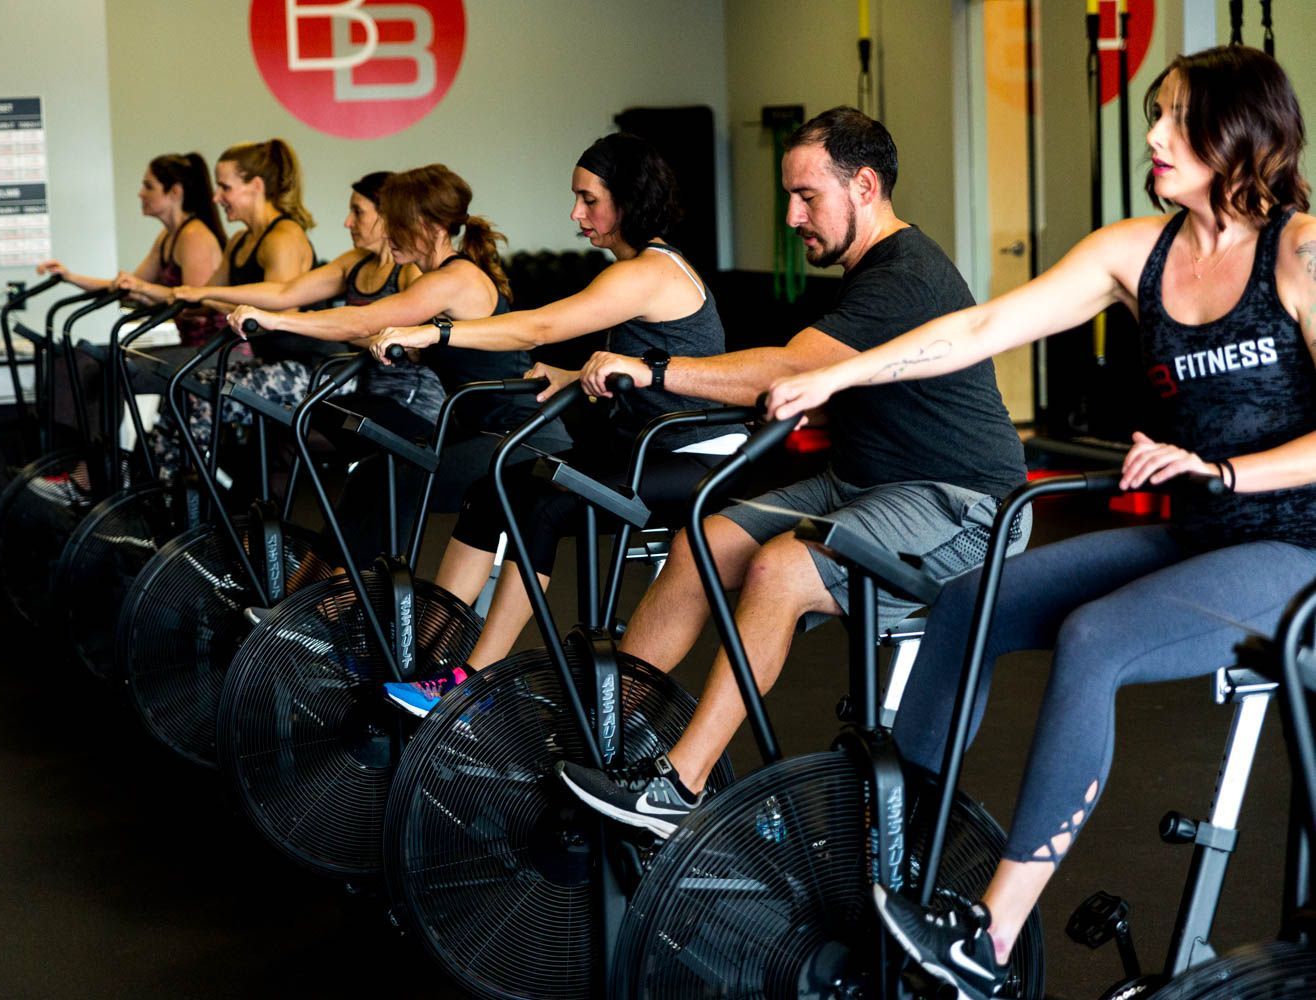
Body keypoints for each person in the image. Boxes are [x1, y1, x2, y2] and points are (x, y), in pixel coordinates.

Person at [760, 47, 1313, 1000]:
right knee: (969, 603)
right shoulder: (1134, 252)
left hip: (1293, 548)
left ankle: (989, 942)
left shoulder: (1299, 251)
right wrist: (839, 372)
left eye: (1173, 119)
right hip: (1196, 528)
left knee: (1093, 638)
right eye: (1155, 116)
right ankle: (894, 876)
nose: (1151, 137)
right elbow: (977, 331)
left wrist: (1225, 469)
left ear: (1236, 132)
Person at [556, 107, 1027, 840]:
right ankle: (597, 739)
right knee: (701, 545)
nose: (791, 215)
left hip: (963, 508)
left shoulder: (904, 276)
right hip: (864, 485)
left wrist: (652, 370)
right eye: (789, 196)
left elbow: (788, 368)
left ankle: (678, 786)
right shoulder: (865, 271)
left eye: (807, 196)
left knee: (780, 568)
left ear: (864, 186)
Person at [371, 133, 739, 716]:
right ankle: (427, 652)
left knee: (543, 504)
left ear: (629, 200)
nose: (576, 214)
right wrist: (572, 377)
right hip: (649, 451)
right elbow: (648, 363)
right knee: (496, 486)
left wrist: (433, 332)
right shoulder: (638, 272)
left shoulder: (647, 272)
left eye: (589, 200)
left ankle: (474, 676)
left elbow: (535, 327)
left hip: (699, 463)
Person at [226, 164, 562, 561]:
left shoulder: (453, 279)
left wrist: (277, 319)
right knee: (371, 473)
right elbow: (372, 328)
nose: (387, 233)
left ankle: (343, 604)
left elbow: (366, 318)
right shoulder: (436, 278)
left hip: (523, 438)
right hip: (478, 431)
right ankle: (307, 600)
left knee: (396, 479)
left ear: (428, 225)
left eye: (395, 222)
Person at [171, 170, 444, 442]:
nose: (348, 222)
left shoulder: (410, 273)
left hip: (409, 401)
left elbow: (388, 336)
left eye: (358, 212)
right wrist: (204, 292)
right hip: (365, 391)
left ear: (387, 216)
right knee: (262, 420)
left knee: (288, 424)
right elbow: (285, 291)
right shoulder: (355, 262)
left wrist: (300, 323)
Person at [112, 139, 316, 478]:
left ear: (256, 186)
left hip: (298, 368)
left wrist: (198, 296)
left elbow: (280, 311)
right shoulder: (239, 241)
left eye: (225, 188)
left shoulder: (285, 237)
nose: (216, 197)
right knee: (183, 388)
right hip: (262, 362)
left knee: (197, 394)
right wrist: (171, 297)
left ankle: (192, 500)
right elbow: (208, 300)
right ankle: (164, 495)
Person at [38, 152, 227, 347]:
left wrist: (144, 292)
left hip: (214, 353)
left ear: (175, 192)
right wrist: (70, 277)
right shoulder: (167, 237)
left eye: (149, 186)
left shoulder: (194, 236)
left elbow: (194, 309)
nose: (141, 193)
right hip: (191, 352)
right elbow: (127, 288)